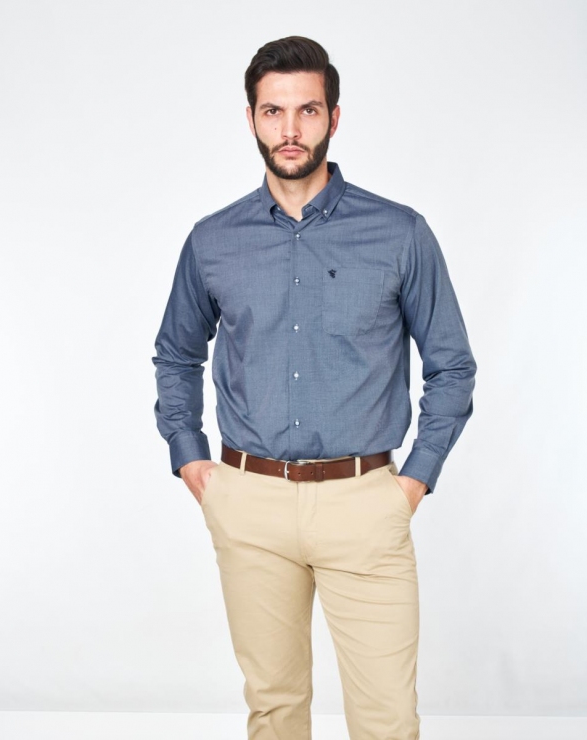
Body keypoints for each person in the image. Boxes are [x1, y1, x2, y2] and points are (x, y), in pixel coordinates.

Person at [152, 35, 477, 740]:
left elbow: (452, 365)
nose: (290, 129)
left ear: (334, 116)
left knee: (387, 719)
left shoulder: (399, 234)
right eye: (274, 111)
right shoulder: (212, 241)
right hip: (249, 501)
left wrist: (412, 482)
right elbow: (175, 354)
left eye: (307, 110)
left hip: (365, 502)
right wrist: (191, 460)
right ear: (251, 118)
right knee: (274, 712)